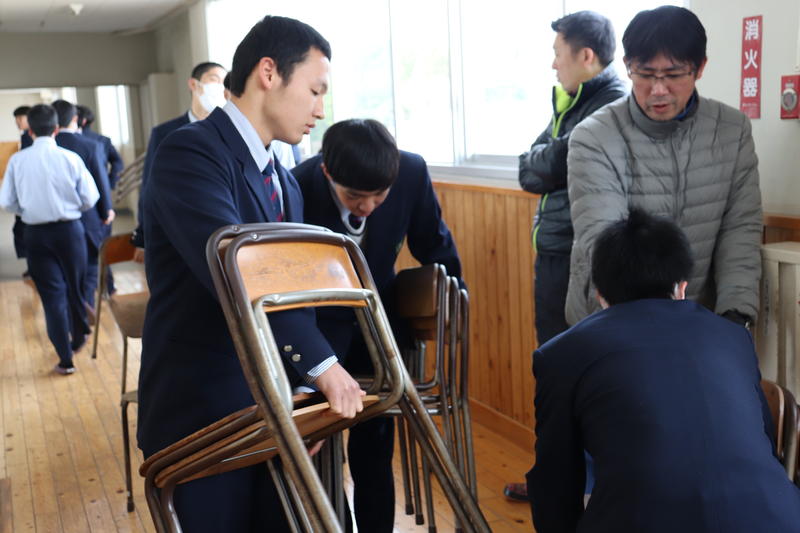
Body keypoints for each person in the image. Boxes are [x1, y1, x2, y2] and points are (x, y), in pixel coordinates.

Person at [137, 16, 365, 531]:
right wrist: (323, 366)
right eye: (314, 91)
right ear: (268, 73)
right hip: (205, 408)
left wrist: (305, 393)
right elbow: (237, 270)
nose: (320, 109)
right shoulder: (191, 152)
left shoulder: (285, 180)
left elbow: (295, 295)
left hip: (273, 407)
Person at [527, 208, 800, 532]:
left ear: (600, 294)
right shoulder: (732, 336)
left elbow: (555, 484)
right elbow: (765, 442)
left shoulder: (562, 354)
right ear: (681, 287)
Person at [293, 118, 462, 532]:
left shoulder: (412, 171)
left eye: (379, 196)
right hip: (318, 333)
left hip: (380, 330)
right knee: (319, 447)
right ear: (327, 172)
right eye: (354, 196)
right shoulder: (298, 184)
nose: (367, 206)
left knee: (376, 445)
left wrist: (452, 307)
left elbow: (435, 246)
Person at [565, 5, 762, 328]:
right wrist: (652, 338)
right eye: (645, 74)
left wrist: (734, 319)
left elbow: (739, 230)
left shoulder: (732, 130)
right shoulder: (594, 136)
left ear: (700, 68)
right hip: (613, 321)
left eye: (673, 75)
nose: (658, 90)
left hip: (701, 319)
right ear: (627, 66)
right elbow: (604, 242)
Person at [506, 11, 626, 503]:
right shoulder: (571, 103)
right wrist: (549, 158)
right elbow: (528, 169)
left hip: (584, 258)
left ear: (586, 55)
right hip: (556, 253)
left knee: (582, 374)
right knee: (556, 371)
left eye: (558, 55)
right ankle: (558, 481)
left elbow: (556, 162)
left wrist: (550, 158)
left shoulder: (611, 103)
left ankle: (583, 490)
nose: (553, 65)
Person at [0, 104, 99, 374]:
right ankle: (79, 337)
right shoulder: (70, 158)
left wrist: (26, 211)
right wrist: (71, 209)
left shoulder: (18, 161)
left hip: (36, 234)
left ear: (30, 131)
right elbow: (90, 198)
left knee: (52, 296)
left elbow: (7, 202)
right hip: (70, 231)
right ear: (56, 129)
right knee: (76, 288)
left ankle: (65, 359)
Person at [130, 61, 227, 253]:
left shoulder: (227, 131)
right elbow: (149, 187)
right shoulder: (164, 133)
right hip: (175, 229)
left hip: (218, 228)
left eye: (224, 82)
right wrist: (143, 237)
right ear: (194, 84)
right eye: (214, 80)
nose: (219, 87)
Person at [52, 100, 114, 317]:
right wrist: (106, 211)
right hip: (88, 217)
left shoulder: (47, 147)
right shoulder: (89, 145)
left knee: (63, 270)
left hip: (55, 220)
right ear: (75, 119)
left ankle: (70, 313)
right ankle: (85, 309)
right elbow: (100, 181)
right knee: (91, 266)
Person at [77, 105, 124, 189]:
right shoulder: (103, 140)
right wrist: (110, 182)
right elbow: (117, 161)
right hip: (101, 185)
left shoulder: (72, 140)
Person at [11, 106, 32, 266]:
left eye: (20, 118)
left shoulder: (29, 137)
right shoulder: (25, 136)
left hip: (28, 192)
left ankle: (32, 265)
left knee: (23, 229)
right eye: (16, 119)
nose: (18, 122)